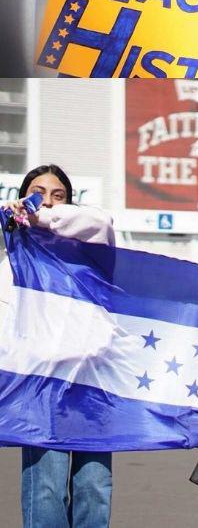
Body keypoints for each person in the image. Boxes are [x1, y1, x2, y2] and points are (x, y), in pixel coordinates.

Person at [1, 165, 115, 528]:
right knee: (46, 486)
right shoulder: (13, 258)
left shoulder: (88, 246)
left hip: (93, 381)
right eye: (37, 192)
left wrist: (43, 212)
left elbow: (102, 222)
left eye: (58, 195)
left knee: (94, 484)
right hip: (40, 383)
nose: (48, 201)